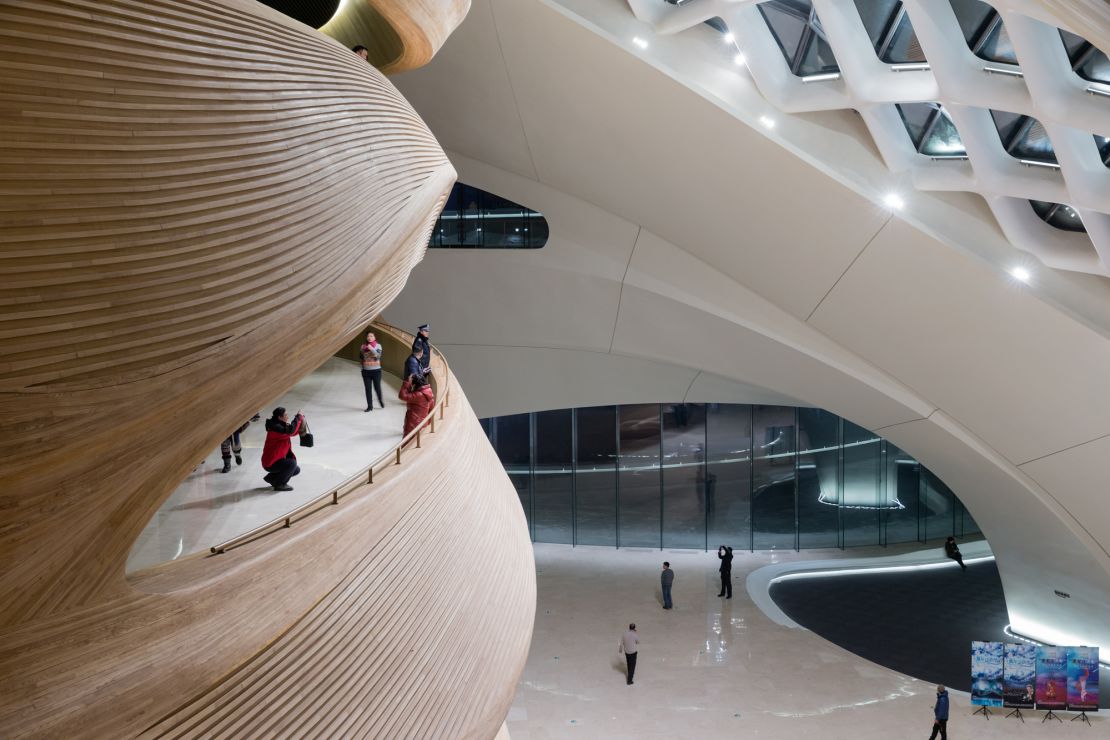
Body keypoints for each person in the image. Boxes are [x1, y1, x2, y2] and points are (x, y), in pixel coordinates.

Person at [261, 407, 304, 491]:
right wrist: (298, 417)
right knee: (292, 463)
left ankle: (271, 478)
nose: (287, 417)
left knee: (295, 469)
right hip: (270, 463)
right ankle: (280, 484)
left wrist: (300, 421)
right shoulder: (276, 430)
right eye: (285, 415)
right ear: (280, 417)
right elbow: (291, 431)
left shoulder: (280, 426)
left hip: (275, 460)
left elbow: (292, 432)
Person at [359, 331, 384, 411]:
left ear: (374, 337)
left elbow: (378, 356)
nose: (369, 337)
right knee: (368, 389)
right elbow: (361, 357)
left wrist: (372, 349)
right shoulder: (363, 346)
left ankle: (380, 400)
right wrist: (363, 366)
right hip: (366, 372)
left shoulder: (378, 346)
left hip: (376, 371)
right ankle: (370, 406)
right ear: (366, 338)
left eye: (371, 336)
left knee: (377, 388)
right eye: (368, 336)